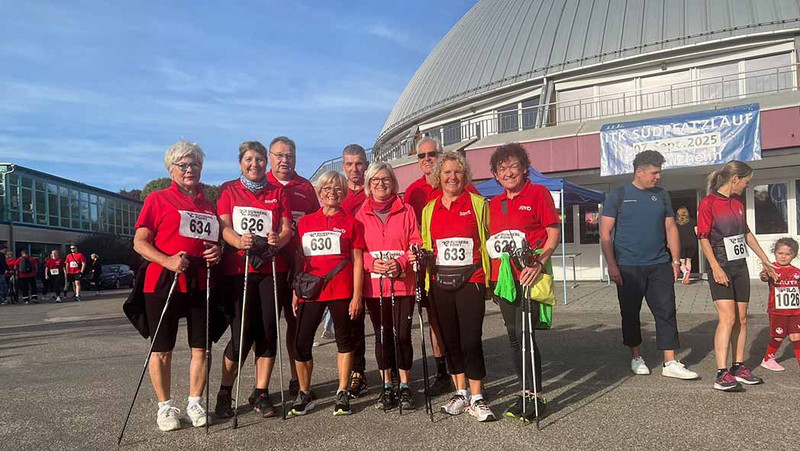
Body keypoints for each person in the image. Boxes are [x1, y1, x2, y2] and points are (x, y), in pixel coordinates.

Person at [132, 140, 221, 432]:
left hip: (198, 280)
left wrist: (216, 251)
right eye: (183, 165)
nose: (189, 170)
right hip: (162, 281)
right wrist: (167, 260)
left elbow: (212, 242)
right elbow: (140, 243)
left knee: (201, 348)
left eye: (194, 164)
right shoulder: (157, 199)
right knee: (162, 349)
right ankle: (165, 407)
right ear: (171, 169)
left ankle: (195, 402)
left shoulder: (208, 204)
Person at [600, 150, 698, 380]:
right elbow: (605, 234)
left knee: (666, 311)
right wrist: (612, 265)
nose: (658, 177)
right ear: (640, 172)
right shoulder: (618, 195)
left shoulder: (662, 195)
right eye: (654, 172)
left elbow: (671, 228)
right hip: (628, 266)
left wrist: (675, 260)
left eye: (659, 172)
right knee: (630, 313)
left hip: (659, 264)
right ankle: (636, 357)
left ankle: (670, 362)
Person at [213, 141, 293, 419]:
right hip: (240, 269)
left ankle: (261, 392)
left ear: (266, 162)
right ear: (240, 163)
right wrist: (239, 240)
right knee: (241, 335)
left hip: (271, 270)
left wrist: (278, 240)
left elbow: (285, 229)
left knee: (268, 331)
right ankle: (225, 391)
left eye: (260, 159)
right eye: (249, 159)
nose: (255, 164)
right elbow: (223, 226)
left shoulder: (278, 191)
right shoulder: (228, 189)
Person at [486, 143, 560, 422]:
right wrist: (494, 283)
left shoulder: (538, 194)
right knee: (514, 338)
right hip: (504, 281)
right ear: (495, 174)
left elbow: (553, 236)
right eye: (501, 168)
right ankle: (525, 391)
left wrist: (538, 263)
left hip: (529, 275)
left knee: (525, 335)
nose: (508, 172)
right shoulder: (495, 203)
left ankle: (537, 396)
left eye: (513, 166)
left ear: (525, 168)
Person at [420, 151, 494, 422]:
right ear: (439, 177)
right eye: (447, 172)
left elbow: (490, 238)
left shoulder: (478, 203)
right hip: (440, 281)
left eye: (457, 172)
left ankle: (477, 396)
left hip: (471, 279)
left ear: (465, 176)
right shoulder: (429, 209)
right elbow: (428, 245)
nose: (452, 177)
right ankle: (460, 392)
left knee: (471, 339)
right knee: (449, 340)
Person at [291, 170, 364, 416]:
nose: (332, 192)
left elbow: (357, 262)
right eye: (327, 188)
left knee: (344, 341)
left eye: (337, 189)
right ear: (320, 192)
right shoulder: (305, 222)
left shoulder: (352, 223)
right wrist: (295, 291)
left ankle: (342, 392)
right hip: (310, 290)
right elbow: (301, 259)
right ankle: (304, 392)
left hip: (341, 290)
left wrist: (357, 295)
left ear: (343, 193)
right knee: (301, 342)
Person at [698, 160, 776, 391]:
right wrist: (715, 267)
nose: (747, 186)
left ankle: (738, 367)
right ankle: (721, 374)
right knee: (727, 318)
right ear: (735, 179)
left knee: (741, 318)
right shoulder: (708, 203)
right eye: (746, 181)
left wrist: (765, 260)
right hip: (720, 266)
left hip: (740, 267)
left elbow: (747, 234)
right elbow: (703, 237)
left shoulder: (737, 202)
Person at [355, 162, 421, 410]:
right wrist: (372, 263)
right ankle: (386, 385)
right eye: (375, 180)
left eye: (386, 180)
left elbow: (416, 241)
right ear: (368, 185)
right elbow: (358, 250)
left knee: (402, 334)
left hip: (403, 284)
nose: (381, 184)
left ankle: (404, 384)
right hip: (375, 286)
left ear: (393, 183)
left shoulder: (407, 210)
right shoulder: (360, 215)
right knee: (382, 336)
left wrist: (401, 262)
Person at [267, 136, 319, 397]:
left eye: (289, 156)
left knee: (294, 321)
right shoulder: (262, 183)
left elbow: (318, 221)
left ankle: (295, 377)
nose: (284, 160)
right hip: (268, 265)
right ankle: (261, 386)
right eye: (279, 155)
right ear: (270, 157)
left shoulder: (305, 187)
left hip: (299, 264)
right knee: (265, 325)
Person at [337, 144, 371, 397]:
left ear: (366, 164)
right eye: (349, 164)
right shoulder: (339, 196)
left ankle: (390, 372)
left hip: (377, 262)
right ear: (343, 167)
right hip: (351, 267)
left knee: (385, 323)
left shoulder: (375, 189)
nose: (355, 169)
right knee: (354, 321)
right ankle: (357, 371)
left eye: (359, 163)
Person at [759, 237, 800, 372]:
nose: (783, 257)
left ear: (794, 255)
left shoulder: (796, 272)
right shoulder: (772, 268)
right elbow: (764, 276)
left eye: (788, 254)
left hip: (795, 312)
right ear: (775, 252)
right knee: (778, 336)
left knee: (796, 336)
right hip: (778, 311)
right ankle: (768, 359)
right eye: (780, 253)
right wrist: (765, 274)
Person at [676, 207, 698, 285]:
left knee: (680, 261)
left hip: (680, 243)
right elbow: (697, 232)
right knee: (688, 260)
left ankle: (685, 272)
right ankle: (687, 276)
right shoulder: (692, 221)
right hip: (692, 243)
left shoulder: (676, 223)